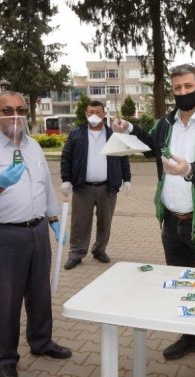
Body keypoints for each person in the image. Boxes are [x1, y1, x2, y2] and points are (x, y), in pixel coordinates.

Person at [111, 63, 195, 377]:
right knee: (184, 287)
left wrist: (190, 170)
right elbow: (152, 144)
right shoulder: (167, 122)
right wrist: (129, 129)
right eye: (177, 88)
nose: (182, 93)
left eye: (187, 87)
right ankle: (192, 338)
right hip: (172, 221)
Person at [0, 91, 72, 377]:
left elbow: (44, 186)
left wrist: (53, 220)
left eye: (21, 110)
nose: (15, 116)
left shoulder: (34, 146)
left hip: (37, 231)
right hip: (4, 237)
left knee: (40, 294)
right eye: (7, 110)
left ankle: (41, 342)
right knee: (7, 300)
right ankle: (5, 357)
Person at [60, 100, 131, 270]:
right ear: (85, 113)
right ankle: (76, 253)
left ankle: (99, 250)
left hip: (107, 187)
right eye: (91, 112)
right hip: (82, 187)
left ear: (104, 114)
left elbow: (123, 157)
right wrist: (66, 179)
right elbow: (66, 157)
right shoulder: (76, 134)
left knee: (105, 222)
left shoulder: (113, 135)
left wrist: (127, 179)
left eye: (98, 112)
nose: (94, 115)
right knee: (79, 222)